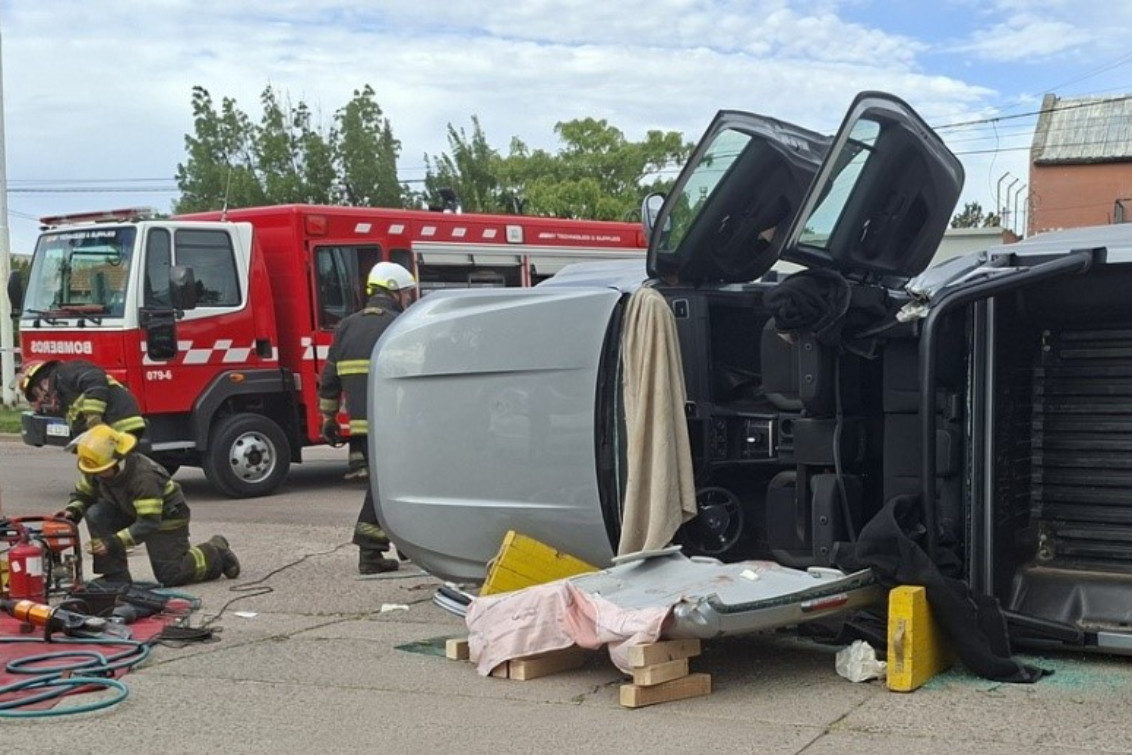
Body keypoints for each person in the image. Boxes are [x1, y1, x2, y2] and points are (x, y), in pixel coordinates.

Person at [318, 261, 418, 574]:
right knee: (390, 486)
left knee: (390, 484)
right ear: (393, 291)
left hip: (362, 427)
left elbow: (330, 378)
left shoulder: (346, 326)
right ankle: (370, 551)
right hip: (394, 425)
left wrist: (328, 418)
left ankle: (405, 546)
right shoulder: (400, 324)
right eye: (405, 293)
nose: (408, 299)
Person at [56, 425, 240, 587]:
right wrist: (72, 511)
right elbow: (83, 493)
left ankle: (216, 552)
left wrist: (112, 543)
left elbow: (148, 523)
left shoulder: (144, 477)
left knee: (170, 576)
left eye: (100, 471)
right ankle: (115, 576)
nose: (97, 475)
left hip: (165, 518)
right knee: (96, 513)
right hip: (129, 509)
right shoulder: (98, 465)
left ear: (118, 460)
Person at [19, 359, 147, 439]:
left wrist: (93, 415)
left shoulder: (66, 371)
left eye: (36, 393)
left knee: (115, 472)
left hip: (121, 422)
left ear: (44, 381)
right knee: (99, 470)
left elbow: (95, 380)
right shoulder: (63, 395)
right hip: (109, 431)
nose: (40, 399)